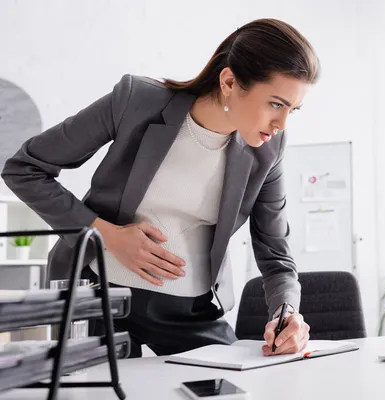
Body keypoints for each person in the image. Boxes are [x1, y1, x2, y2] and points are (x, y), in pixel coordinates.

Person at [1, 18, 320, 358]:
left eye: (293, 109)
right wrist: (105, 235)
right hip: (100, 296)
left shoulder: (269, 149)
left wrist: (287, 312)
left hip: (189, 311)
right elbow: (25, 169)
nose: (282, 123)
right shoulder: (136, 101)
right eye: (275, 103)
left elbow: (275, 254)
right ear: (229, 81)